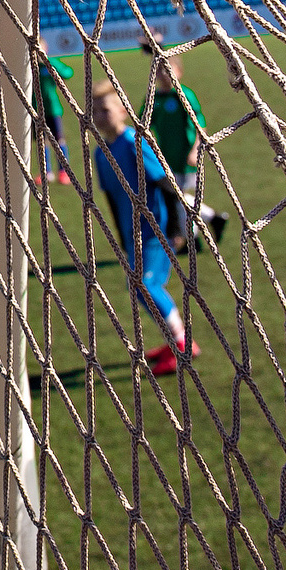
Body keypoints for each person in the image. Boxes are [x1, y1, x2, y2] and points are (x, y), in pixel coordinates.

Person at [90, 80, 193, 377]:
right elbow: (111, 197)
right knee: (139, 288)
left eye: (105, 109)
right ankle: (175, 341)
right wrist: (123, 238)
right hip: (132, 234)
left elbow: (166, 184)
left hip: (156, 229)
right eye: (94, 110)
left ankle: (183, 345)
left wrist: (177, 228)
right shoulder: (101, 154)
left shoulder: (135, 142)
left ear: (122, 111)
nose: (99, 115)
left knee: (145, 286)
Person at [148, 51, 226, 250]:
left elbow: (200, 124)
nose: (163, 74)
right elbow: (145, 123)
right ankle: (212, 219)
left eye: (168, 70)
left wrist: (195, 150)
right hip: (165, 157)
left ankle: (191, 239)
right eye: (159, 71)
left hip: (184, 156)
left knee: (177, 197)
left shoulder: (184, 95)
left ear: (179, 72)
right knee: (176, 197)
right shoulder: (154, 97)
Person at [38, 56, 75, 184]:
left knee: (59, 139)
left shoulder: (49, 64)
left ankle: (64, 171)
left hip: (53, 109)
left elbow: (68, 73)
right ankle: (47, 172)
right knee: (42, 142)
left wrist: (50, 62)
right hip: (37, 111)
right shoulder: (29, 66)